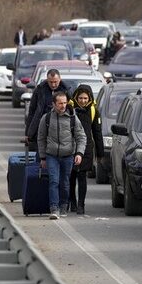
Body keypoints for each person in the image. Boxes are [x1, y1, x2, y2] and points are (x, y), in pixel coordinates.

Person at [37, 91, 86, 220]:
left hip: (68, 155)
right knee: (54, 181)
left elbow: (81, 137)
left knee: (65, 182)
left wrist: (79, 153)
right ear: (54, 104)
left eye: (65, 103)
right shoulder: (46, 118)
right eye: (60, 103)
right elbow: (41, 138)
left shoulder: (72, 118)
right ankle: (54, 208)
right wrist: (42, 157)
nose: (63, 106)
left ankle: (64, 205)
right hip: (51, 155)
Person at [69, 85, 104, 215]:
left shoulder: (94, 110)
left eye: (85, 98)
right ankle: (72, 201)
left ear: (89, 98)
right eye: (80, 98)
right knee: (71, 176)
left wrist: (100, 153)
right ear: (76, 97)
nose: (83, 101)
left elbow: (97, 132)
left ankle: (81, 204)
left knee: (82, 175)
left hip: (87, 148)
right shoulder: (69, 109)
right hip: (70, 146)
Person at [25, 69, 71, 151]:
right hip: (41, 128)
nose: (53, 85)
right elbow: (32, 112)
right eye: (51, 82)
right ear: (47, 80)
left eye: (55, 82)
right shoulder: (40, 90)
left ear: (60, 79)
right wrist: (28, 132)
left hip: (60, 129)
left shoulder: (66, 91)